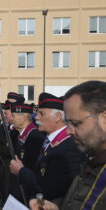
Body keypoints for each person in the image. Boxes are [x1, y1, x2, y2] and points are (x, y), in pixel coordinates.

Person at [30, 81, 106, 210]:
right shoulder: (93, 160)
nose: (68, 131)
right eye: (68, 123)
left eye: (76, 123)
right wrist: (56, 206)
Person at [9, 93, 85, 203]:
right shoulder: (50, 141)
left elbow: (51, 187)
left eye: (41, 113)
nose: (37, 117)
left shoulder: (69, 146)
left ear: (58, 117)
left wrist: (21, 171)